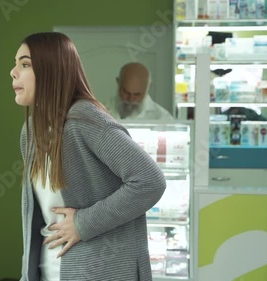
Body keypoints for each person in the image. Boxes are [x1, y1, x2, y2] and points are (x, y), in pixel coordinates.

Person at [10, 32, 166, 281]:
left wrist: (83, 223)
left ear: (52, 70)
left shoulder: (84, 120)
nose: (13, 72)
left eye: (25, 64)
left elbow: (150, 181)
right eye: (16, 63)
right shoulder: (30, 131)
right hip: (50, 270)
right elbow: (40, 217)